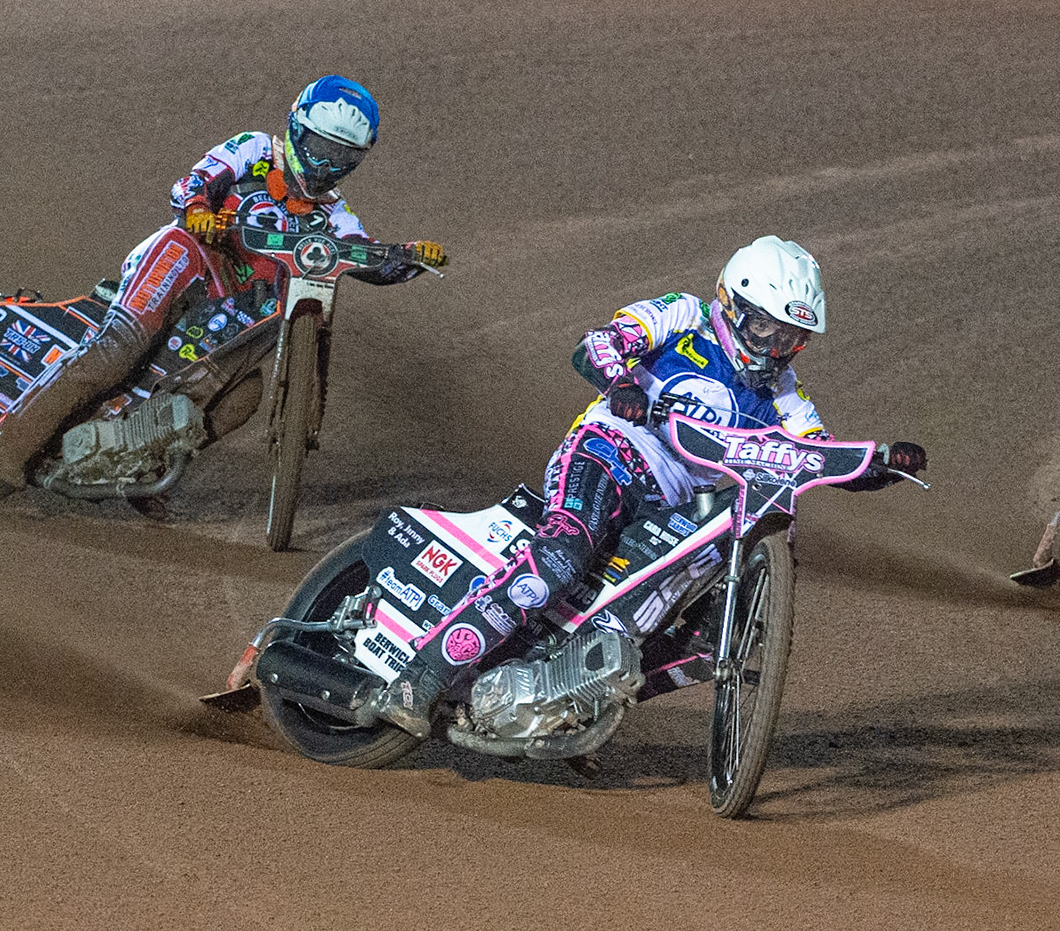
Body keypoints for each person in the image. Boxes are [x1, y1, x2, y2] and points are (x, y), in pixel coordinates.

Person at [367, 235, 929, 737]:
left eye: (791, 338)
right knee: (561, 558)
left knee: (704, 640)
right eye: (764, 329)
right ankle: (421, 679)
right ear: (733, 305)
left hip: (675, 510)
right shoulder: (683, 316)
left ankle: (577, 707)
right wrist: (620, 384)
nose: (773, 349)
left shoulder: (785, 394)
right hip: (611, 453)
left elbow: (814, 453)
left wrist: (878, 464)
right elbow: (598, 343)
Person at [0, 74, 447, 486]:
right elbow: (193, 182)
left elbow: (363, 258)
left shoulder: (335, 214)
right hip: (186, 262)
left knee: (242, 399)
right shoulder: (254, 151)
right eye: (320, 148)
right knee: (118, 350)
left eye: (341, 157)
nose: (326, 165)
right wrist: (199, 212)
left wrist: (408, 258)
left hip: (231, 315)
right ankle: (9, 447)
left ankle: (141, 465)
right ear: (296, 128)